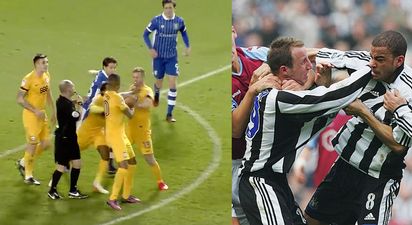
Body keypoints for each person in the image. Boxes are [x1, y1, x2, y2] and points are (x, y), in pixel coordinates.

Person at [238, 37, 373, 225]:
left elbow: (317, 116)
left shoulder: (281, 95)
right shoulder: (279, 98)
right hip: (260, 182)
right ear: (284, 70)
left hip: (276, 182)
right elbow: (337, 97)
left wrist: (317, 85)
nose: (310, 66)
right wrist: (371, 68)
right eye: (303, 62)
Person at [305, 30, 412, 225]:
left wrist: (364, 112)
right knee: (312, 219)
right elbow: (321, 53)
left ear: (398, 61)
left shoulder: (407, 92)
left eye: (379, 59)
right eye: (372, 56)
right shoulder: (365, 62)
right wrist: (271, 60)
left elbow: (399, 146)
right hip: (345, 166)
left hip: (378, 178)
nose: (372, 63)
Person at [143, 0, 190, 122]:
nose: (168, 10)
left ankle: (169, 114)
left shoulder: (179, 21)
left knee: (172, 84)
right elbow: (145, 34)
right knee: (159, 80)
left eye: (170, 8)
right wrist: (151, 48)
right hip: (158, 57)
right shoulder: (156, 20)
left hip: (171, 57)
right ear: (163, 8)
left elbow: (184, 33)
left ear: (174, 8)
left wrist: (187, 46)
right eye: (166, 8)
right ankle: (157, 94)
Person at [126, 67, 169, 191]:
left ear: (142, 78)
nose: (135, 80)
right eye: (134, 77)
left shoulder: (147, 90)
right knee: (122, 155)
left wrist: (135, 103)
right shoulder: (132, 88)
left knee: (149, 158)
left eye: (137, 77)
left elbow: (148, 104)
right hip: (130, 129)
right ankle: (120, 177)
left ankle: (160, 181)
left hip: (142, 132)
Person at [16, 53, 56, 185]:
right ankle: (28, 175)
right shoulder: (28, 79)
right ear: (37, 64)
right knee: (32, 144)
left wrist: (53, 110)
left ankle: (23, 162)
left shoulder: (46, 76)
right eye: (44, 62)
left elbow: (48, 92)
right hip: (31, 115)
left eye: (47, 62)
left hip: (41, 114)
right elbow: (19, 99)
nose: (46, 64)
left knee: (45, 144)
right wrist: (35, 110)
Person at [105, 74, 140, 211]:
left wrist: (130, 93)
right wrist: (134, 103)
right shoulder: (117, 98)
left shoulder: (107, 94)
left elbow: (119, 95)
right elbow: (130, 115)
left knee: (132, 162)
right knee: (123, 166)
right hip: (115, 136)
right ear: (118, 85)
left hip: (119, 133)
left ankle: (126, 196)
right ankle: (112, 198)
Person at [48, 80, 88, 199]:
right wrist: (80, 105)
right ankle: (52, 190)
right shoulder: (65, 104)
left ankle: (73, 190)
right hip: (66, 140)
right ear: (68, 89)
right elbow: (76, 116)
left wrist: (76, 101)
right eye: (73, 87)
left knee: (77, 163)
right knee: (61, 166)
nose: (74, 89)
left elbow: (69, 104)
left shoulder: (61, 100)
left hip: (68, 138)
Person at [82, 57, 118, 174]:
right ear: (105, 67)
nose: (113, 70)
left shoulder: (103, 75)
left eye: (114, 67)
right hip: (90, 111)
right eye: (111, 68)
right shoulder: (103, 82)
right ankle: (64, 161)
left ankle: (110, 163)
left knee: (110, 135)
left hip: (99, 110)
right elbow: (97, 98)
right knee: (78, 139)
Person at [77, 82, 111, 194]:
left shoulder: (112, 101)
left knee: (105, 155)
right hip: (86, 132)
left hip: (98, 133)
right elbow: (92, 108)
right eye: (107, 90)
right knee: (70, 154)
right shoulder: (99, 99)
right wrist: (104, 111)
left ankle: (97, 183)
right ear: (102, 92)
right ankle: (55, 178)